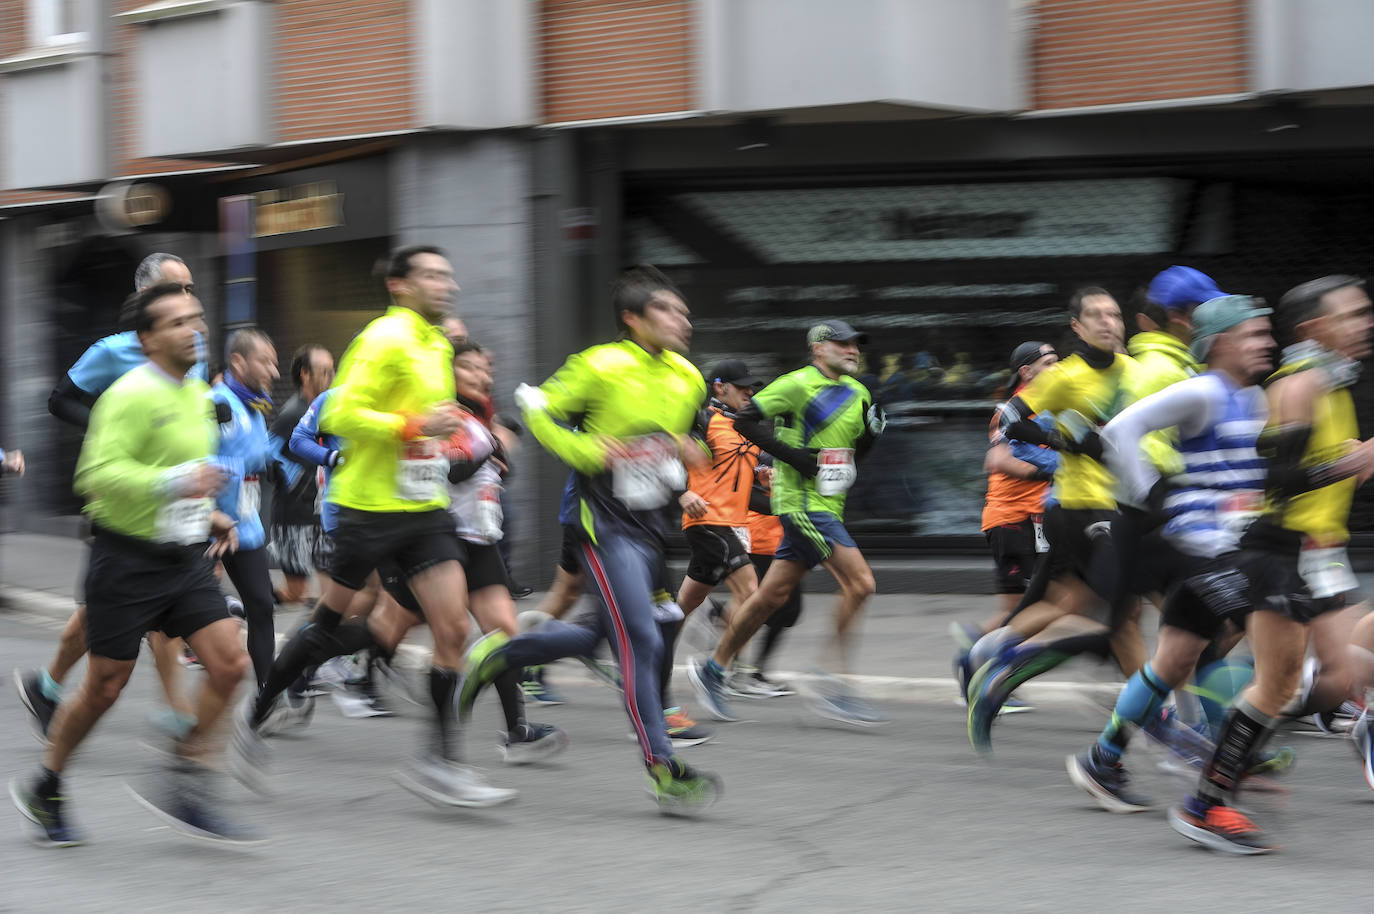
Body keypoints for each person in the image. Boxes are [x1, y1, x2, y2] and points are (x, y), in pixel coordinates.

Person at [230, 244, 516, 809]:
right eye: (433, 275)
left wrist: (447, 436)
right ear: (401, 286)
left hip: (424, 507)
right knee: (326, 624)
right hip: (368, 509)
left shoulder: (436, 344)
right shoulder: (382, 339)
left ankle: (441, 762)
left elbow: (434, 424)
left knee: (453, 629)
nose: (448, 284)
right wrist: (411, 425)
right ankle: (258, 709)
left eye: (449, 273)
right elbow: (339, 415)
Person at [456, 264, 722, 812]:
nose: (682, 320)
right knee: (642, 640)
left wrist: (686, 448)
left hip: (651, 527)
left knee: (605, 633)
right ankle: (663, 767)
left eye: (684, 311)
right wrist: (590, 452)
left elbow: (688, 435)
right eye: (667, 311)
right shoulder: (598, 366)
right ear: (632, 318)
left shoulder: (688, 376)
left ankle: (500, 655)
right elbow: (537, 410)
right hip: (602, 524)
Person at [9, 282, 254, 845]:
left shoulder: (196, 396)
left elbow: (189, 472)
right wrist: (173, 483)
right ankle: (46, 783)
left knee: (230, 666)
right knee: (104, 688)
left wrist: (209, 512)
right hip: (124, 560)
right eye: (176, 322)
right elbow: (94, 478)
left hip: (182, 558)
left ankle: (186, 777)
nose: (193, 329)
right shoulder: (127, 396)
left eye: (197, 317)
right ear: (147, 339)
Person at [1170, 276, 1374, 854]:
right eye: (1353, 315)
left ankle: (1240, 746)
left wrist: (1352, 464)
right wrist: (1351, 461)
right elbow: (1277, 482)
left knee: (1337, 679)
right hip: (1275, 550)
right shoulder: (1300, 386)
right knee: (1278, 682)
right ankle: (1206, 802)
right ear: (1314, 329)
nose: (1366, 324)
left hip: (1315, 551)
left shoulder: (1331, 385)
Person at [1066, 295, 1278, 812]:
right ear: (1221, 343)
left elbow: (1246, 475)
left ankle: (1103, 759)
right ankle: (1224, 765)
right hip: (1202, 550)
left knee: (1173, 661)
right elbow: (1120, 430)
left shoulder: (1253, 400)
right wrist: (1152, 495)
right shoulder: (1203, 391)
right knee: (1272, 637)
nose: (1267, 342)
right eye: (1254, 334)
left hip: (1229, 546)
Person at [16, 253, 203, 743]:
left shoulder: (191, 345)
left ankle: (50, 686)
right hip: (122, 497)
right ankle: (178, 712)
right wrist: (106, 427)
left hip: (180, 504)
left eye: (189, 289)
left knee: (121, 608)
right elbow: (60, 399)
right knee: (132, 608)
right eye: (174, 289)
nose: (185, 299)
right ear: (145, 297)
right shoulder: (114, 351)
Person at [966, 288, 1145, 752]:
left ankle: (997, 654)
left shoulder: (1137, 373)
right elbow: (1009, 420)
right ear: (1077, 327)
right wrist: (1067, 443)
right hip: (1081, 508)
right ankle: (1013, 666)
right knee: (1116, 617)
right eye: (1096, 315)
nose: (1108, 322)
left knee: (1092, 607)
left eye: (1115, 313)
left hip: (1125, 508)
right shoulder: (1066, 376)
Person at [688, 319, 888, 726]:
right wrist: (798, 460)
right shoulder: (796, 384)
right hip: (799, 504)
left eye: (856, 345)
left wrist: (870, 438)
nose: (853, 350)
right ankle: (830, 683)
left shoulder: (859, 393)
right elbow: (745, 421)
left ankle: (713, 672)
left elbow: (849, 462)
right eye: (843, 343)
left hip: (829, 506)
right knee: (861, 583)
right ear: (818, 349)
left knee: (768, 597)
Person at [952, 341, 1059, 698]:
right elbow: (997, 460)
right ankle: (979, 663)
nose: (1057, 367)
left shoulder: (1055, 404)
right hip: (1011, 519)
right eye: (1048, 363)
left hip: (1040, 519)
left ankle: (981, 654)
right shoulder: (1011, 409)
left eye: (1058, 360)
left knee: (1038, 608)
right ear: (1027, 371)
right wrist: (1050, 470)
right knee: (1022, 612)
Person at [211, 329, 280, 690]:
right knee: (180, 618)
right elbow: (198, 461)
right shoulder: (217, 404)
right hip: (207, 528)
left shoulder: (254, 404)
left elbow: (254, 454)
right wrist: (248, 464)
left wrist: (276, 462)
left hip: (244, 525)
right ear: (238, 362)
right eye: (265, 361)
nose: (274, 371)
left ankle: (267, 695)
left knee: (262, 605)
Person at [269, 344, 335, 606]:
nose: (332, 376)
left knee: (334, 594)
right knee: (296, 593)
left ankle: (322, 641)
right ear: (305, 374)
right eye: (325, 371)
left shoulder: (327, 410)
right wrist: (292, 475)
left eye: (333, 370)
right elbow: (267, 451)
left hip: (322, 515)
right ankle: (255, 601)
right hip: (294, 519)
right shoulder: (293, 413)